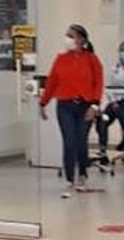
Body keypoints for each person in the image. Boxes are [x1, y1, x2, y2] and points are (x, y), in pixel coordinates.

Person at [40, 24, 104, 198]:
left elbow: (98, 83)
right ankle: (69, 179)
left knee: (81, 141)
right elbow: (52, 82)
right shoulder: (61, 59)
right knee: (69, 142)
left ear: (81, 40)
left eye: (71, 36)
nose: (67, 39)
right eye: (66, 35)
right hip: (65, 105)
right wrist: (43, 103)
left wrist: (94, 105)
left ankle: (82, 174)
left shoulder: (91, 59)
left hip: (85, 105)